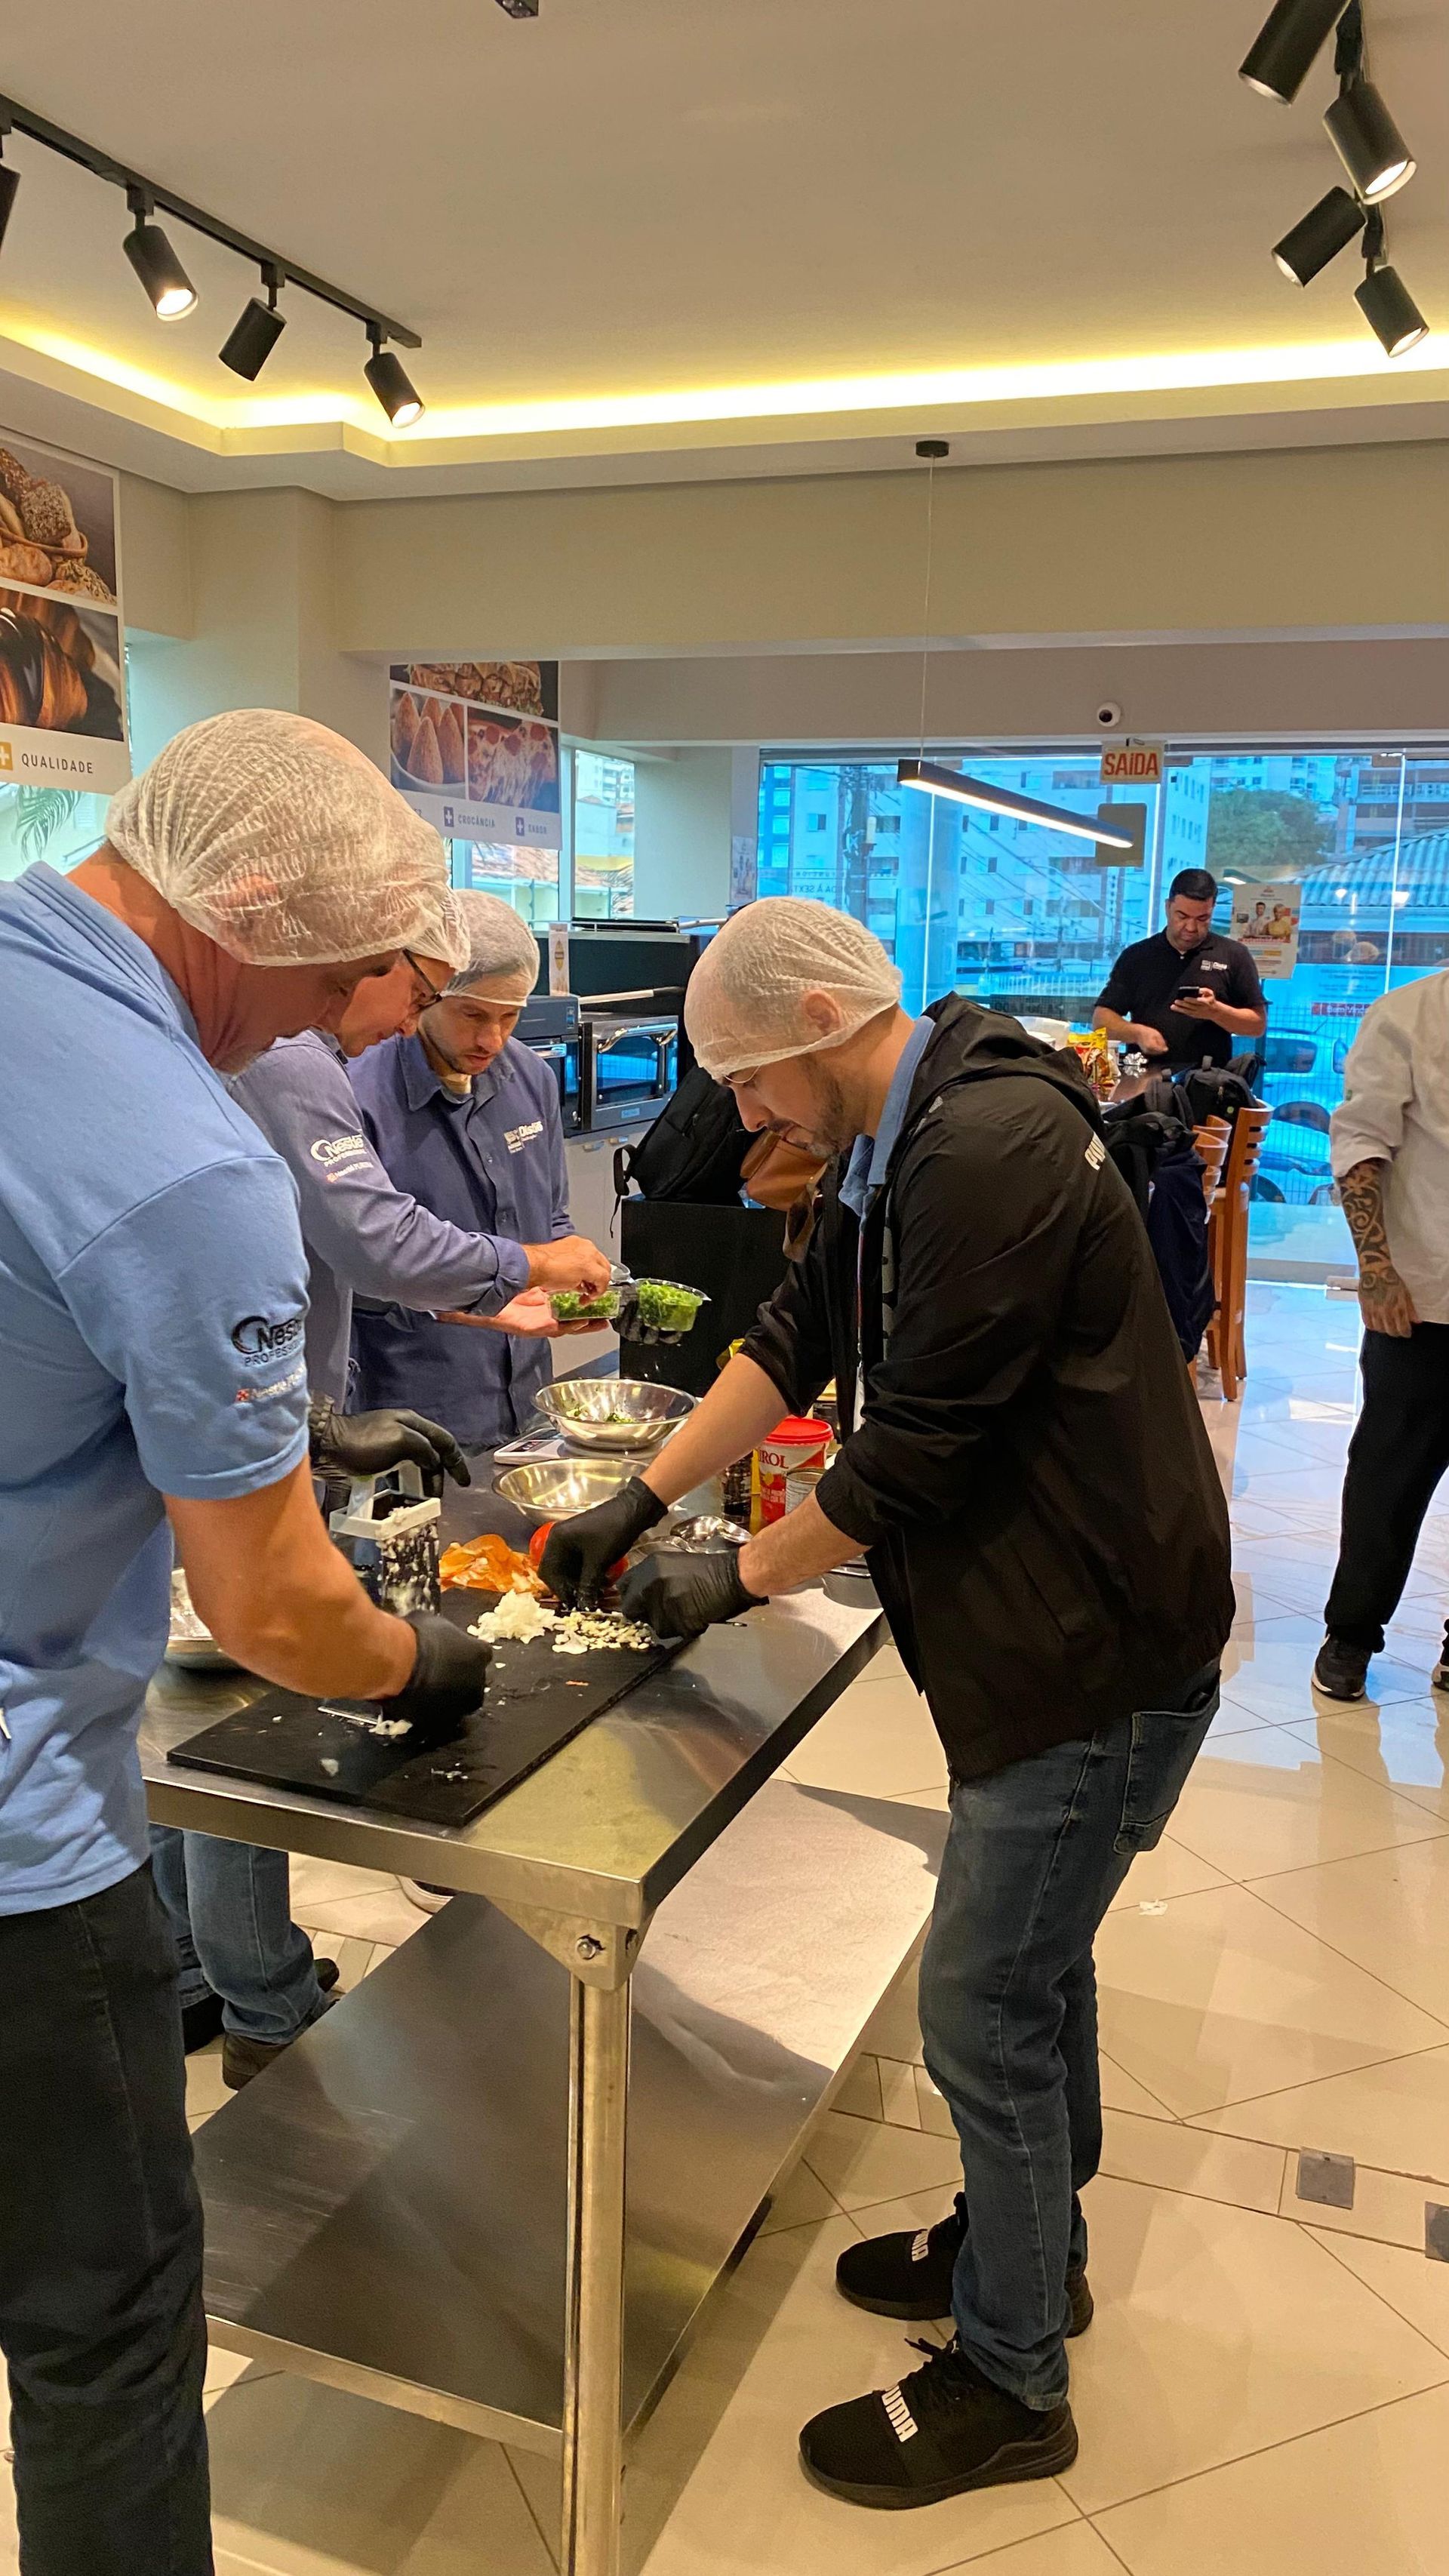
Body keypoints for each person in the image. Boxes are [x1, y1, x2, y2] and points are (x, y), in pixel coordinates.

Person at [543, 895, 1232, 2511]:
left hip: (1093, 1650)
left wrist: (744, 1572)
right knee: (1033, 1970)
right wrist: (642, 1497)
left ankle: (1011, 2377)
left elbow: (916, 1443)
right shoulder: (909, 1128)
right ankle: (1022, 2251)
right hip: (1052, 1628)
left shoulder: (977, 1146)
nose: (751, 1118)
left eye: (752, 1084)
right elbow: (796, 1335)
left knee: (984, 2003)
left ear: (810, 1026)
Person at [0, 709, 491, 2576]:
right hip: (18, 1853)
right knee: (101, 2317)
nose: (337, 1016)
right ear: (246, 901)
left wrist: (252, 1426)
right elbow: (275, 1609)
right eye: (345, 966)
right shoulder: (188, 1160)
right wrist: (414, 1661)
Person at [350, 894, 611, 1449]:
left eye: (509, 1016)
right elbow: (356, 1277)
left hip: (529, 1401)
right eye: (473, 1014)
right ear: (426, 996)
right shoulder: (358, 1093)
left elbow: (550, 1217)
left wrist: (571, 1280)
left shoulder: (531, 1079)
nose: (492, 1039)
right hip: (415, 1411)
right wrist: (481, 1309)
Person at [1315, 974, 1449, 1700]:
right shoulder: (1411, 1014)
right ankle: (1353, 1634)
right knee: (1388, 1479)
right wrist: (1376, 1268)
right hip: (1425, 1299)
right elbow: (1363, 1140)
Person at [1094, 867, 1267, 1070]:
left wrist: (1216, 1011)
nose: (1191, 927)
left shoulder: (1234, 955)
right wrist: (1137, 1033)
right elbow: (1101, 1020)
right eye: (1182, 916)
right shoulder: (1137, 957)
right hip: (1144, 1080)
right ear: (1168, 908)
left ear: (1212, 910)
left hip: (1208, 1082)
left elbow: (1257, 1025)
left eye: (1202, 919)